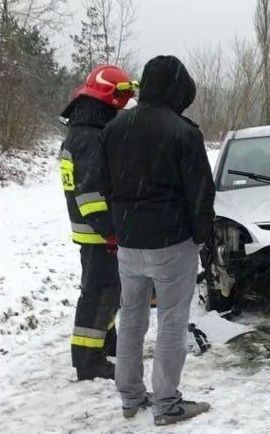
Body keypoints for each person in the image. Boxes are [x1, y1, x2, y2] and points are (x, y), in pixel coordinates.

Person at [97, 56, 215, 426]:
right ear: (176, 89)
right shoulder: (182, 132)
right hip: (172, 244)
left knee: (131, 319)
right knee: (171, 322)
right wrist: (200, 238)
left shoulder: (115, 129)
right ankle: (167, 403)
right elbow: (201, 195)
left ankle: (130, 396)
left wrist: (120, 228)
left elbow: (104, 185)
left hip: (130, 245)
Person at [59, 64, 137, 381]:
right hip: (97, 232)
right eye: (120, 99)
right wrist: (111, 232)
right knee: (99, 293)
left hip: (91, 231)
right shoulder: (90, 138)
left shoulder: (82, 132)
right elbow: (90, 193)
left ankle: (106, 343)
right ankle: (88, 359)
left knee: (106, 291)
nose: (122, 107)